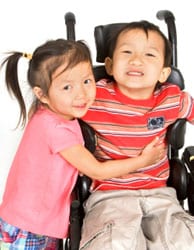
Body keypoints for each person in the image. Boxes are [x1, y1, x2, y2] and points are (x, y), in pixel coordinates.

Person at [0, 39, 164, 249]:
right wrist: (143, 160)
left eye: (87, 81)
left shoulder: (46, 111)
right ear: (42, 94)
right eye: (67, 86)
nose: (82, 94)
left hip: (26, 215)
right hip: (31, 223)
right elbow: (97, 170)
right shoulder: (56, 130)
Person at [80, 21, 194, 250]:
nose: (136, 60)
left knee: (183, 240)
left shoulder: (171, 98)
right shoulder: (92, 96)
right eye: (127, 52)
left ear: (164, 72)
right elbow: (56, 111)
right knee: (113, 243)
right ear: (110, 65)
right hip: (110, 194)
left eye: (149, 54)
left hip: (161, 194)